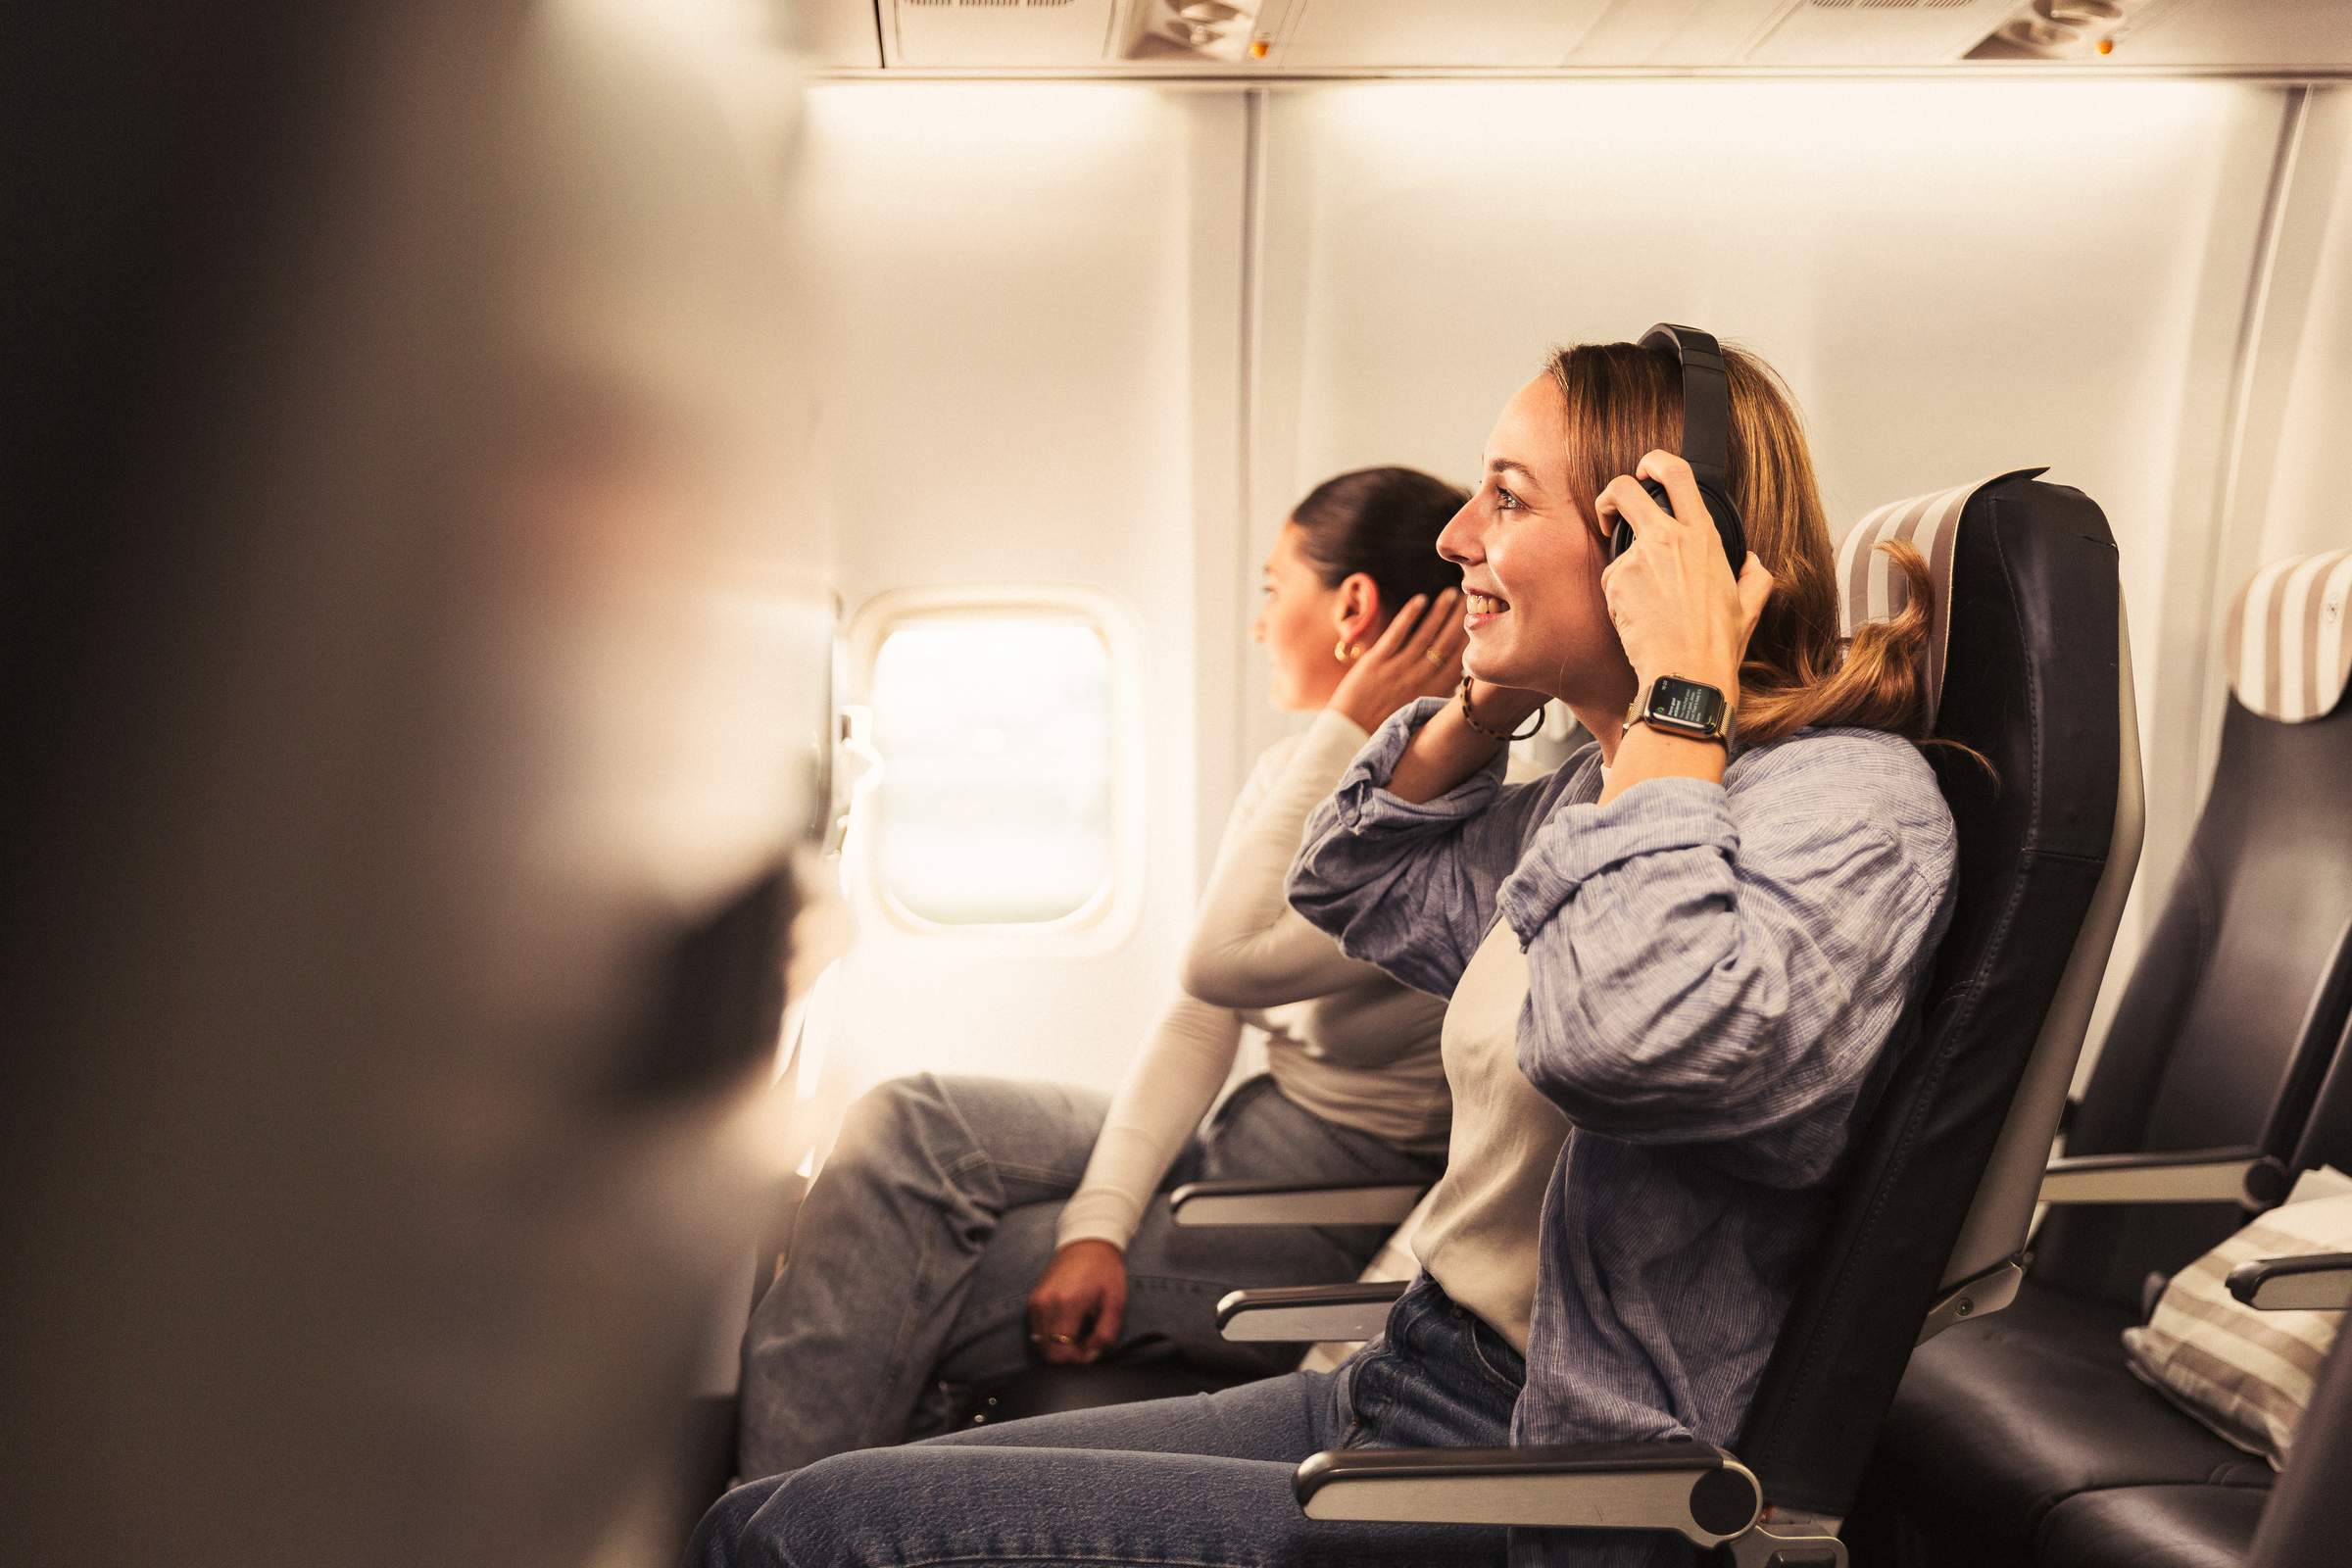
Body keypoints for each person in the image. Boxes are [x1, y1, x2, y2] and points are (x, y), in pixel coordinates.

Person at [693, 338, 1959, 1568]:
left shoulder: (1846, 803)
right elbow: (1357, 880)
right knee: (802, 1498)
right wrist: (1483, 697)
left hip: (1533, 1467)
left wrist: (1681, 686)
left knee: (784, 1538)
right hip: (1408, 1376)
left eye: (1505, 500)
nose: (1459, 538)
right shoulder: (1596, 786)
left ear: (1647, 552)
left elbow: (1632, 1039)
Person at [734, 466, 1472, 1481]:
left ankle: (770, 1522)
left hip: (1310, 1204)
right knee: (909, 1119)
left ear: (1350, 606)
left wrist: (1347, 723)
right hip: (1241, 1143)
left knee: (905, 1279)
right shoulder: (1290, 772)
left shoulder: (1456, 813)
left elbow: (1225, 960)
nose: (1259, 625)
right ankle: (775, 1515)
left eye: (1272, 588)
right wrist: (1097, 1224)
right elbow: (1198, 1013)